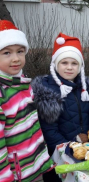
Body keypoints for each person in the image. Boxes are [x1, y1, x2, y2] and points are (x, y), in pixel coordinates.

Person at [31, 33, 89, 181]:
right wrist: (72, 146)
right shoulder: (47, 91)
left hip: (86, 151)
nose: (69, 67)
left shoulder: (86, 89)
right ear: (55, 64)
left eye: (74, 63)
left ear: (80, 66)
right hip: (59, 156)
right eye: (64, 63)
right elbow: (49, 131)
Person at [0, 20, 54, 182]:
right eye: (7, 53)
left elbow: (33, 126)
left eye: (20, 51)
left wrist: (45, 161)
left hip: (35, 167)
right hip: (16, 175)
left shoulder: (22, 82)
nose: (16, 58)